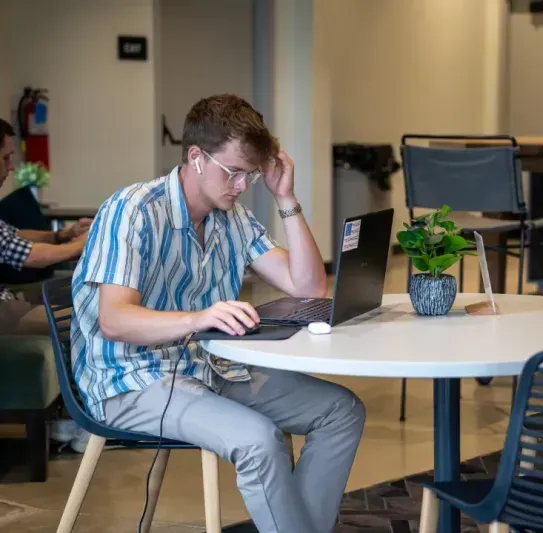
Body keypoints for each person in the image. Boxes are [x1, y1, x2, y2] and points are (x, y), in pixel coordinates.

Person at [70, 94, 365, 533]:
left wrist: (286, 197)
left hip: (210, 368)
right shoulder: (132, 210)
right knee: (259, 440)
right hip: (131, 379)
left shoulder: (232, 218)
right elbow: (114, 320)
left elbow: (309, 287)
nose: (242, 186)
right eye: (235, 173)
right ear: (196, 157)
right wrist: (198, 318)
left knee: (341, 411)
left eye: (250, 175)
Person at [0, 118, 91, 335]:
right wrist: (83, 243)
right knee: (90, 321)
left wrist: (63, 235)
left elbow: (14, 236)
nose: (12, 167)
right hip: (3, 311)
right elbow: (30, 256)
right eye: (6, 158)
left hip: (7, 297)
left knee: (85, 300)